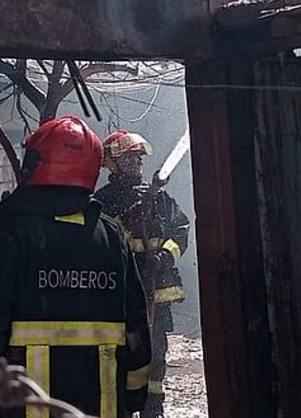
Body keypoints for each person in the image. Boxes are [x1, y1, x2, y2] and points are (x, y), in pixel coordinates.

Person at [0, 115, 152, 418]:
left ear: (36, 163)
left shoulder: (13, 237)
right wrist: (134, 397)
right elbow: (136, 328)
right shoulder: (112, 239)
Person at [94, 130, 191, 418]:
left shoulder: (158, 197)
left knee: (157, 354)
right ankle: (124, 406)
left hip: (158, 292)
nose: (136, 163)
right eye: (128, 157)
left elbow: (180, 230)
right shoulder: (102, 202)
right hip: (123, 296)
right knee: (124, 354)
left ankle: (153, 408)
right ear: (112, 162)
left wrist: (164, 257)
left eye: (138, 157)